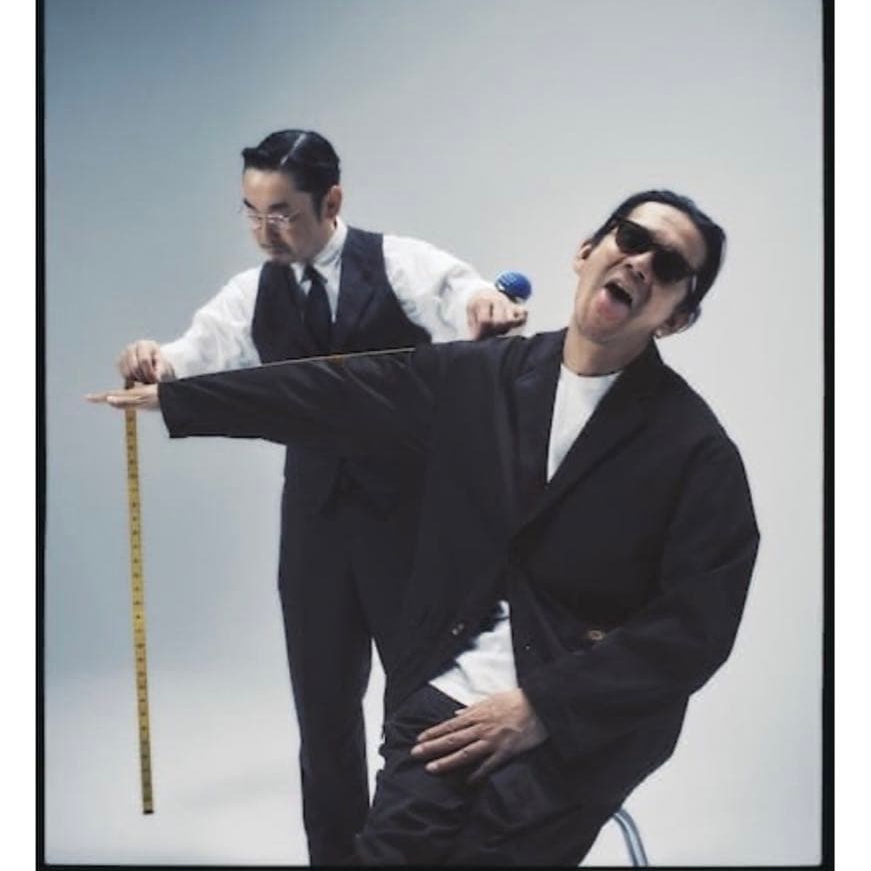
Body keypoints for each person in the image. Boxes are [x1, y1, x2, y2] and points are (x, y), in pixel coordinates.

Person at [92, 189, 759, 866]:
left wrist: (543, 706)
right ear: (587, 251)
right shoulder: (481, 377)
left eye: (668, 265)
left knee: (493, 849)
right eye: (630, 238)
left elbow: (696, 626)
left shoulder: (696, 451)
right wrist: (180, 398)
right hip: (447, 690)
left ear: (677, 317)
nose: (640, 262)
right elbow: (336, 392)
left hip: (580, 723)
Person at [113, 128, 527, 865]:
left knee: (421, 705)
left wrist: (485, 304)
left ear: (331, 201)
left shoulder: (395, 261)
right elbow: (194, 354)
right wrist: (156, 360)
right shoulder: (252, 293)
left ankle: (420, 850)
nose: (263, 231)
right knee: (323, 713)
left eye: (282, 213)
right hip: (313, 530)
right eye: (250, 213)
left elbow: (459, 292)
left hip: (411, 525)